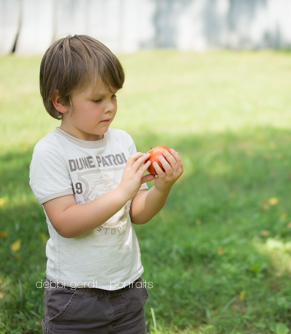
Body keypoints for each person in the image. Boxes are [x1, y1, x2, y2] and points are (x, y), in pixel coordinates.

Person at [29, 35, 183, 333]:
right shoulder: (51, 151)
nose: (110, 107)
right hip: (75, 296)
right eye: (97, 99)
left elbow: (137, 212)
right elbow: (66, 223)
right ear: (60, 101)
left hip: (128, 286)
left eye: (114, 96)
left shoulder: (122, 141)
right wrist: (121, 192)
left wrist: (162, 187)